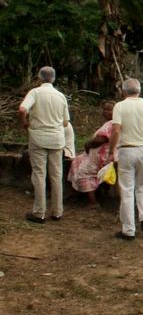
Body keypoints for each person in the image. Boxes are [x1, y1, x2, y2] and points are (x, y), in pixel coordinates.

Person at [107, 78, 143, 240]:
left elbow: (116, 131)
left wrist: (111, 151)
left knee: (127, 190)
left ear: (124, 91)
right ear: (139, 90)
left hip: (127, 150)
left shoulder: (120, 106)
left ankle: (129, 229)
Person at [20, 66, 72, 223]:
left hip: (38, 137)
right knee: (56, 175)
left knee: (39, 174)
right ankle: (57, 212)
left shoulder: (35, 92)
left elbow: (22, 109)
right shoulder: (60, 96)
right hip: (57, 139)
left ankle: (39, 212)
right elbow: (65, 122)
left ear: (39, 77)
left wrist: (25, 124)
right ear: (54, 78)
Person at [67, 101, 116, 207]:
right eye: (104, 109)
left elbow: (102, 139)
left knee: (84, 171)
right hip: (97, 154)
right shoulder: (112, 123)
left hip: (102, 156)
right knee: (77, 160)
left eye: (109, 110)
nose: (106, 112)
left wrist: (89, 144)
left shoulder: (113, 124)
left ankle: (93, 202)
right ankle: (76, 193)